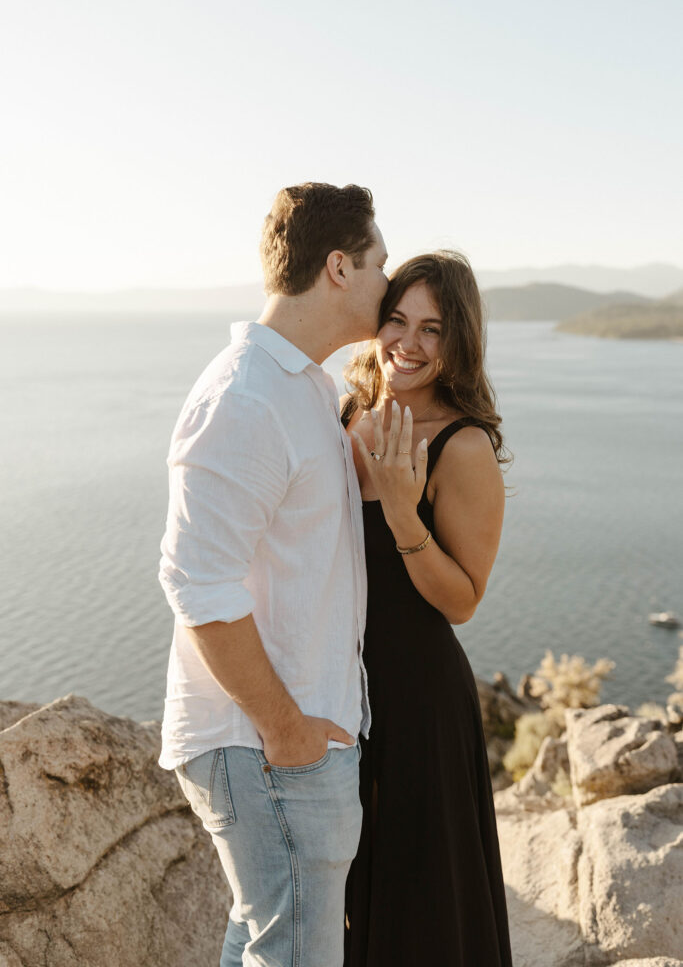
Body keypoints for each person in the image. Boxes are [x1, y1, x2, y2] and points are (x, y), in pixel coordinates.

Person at [158, 182, 389, 967]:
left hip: (283, 740)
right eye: (378, 264)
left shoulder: (306, 389)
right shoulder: (246, 396)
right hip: (263, 745)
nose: (387, 284)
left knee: (264, 941)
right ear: (337, 268)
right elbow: (198, 587)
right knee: (293, 955)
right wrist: (288, 731)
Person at [341, 251, 514, 966]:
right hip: (333, 685)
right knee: (347, 889)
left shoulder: (461, 444)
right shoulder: (344, 409)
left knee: (420, 899)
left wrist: (405, 515)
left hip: (415, 694)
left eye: (432, 329)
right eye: (397, 320)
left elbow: (464, 600)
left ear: (457, 342)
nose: (407, 344)